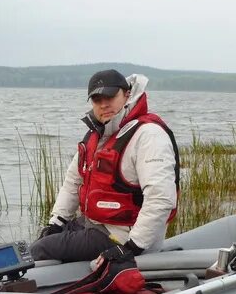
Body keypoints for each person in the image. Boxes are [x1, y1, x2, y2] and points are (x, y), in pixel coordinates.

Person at [30, 69, 179, 268]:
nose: (104, 104)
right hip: (96, 225)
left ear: (127, 94)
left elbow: (161, 198)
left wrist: (131, 248)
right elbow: (72, 183)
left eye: (110, 96)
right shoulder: (96, 136)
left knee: (41, 250)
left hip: (122, 236)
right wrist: (56, 222)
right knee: (40, 241)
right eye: (97, 99)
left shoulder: (148, 135)